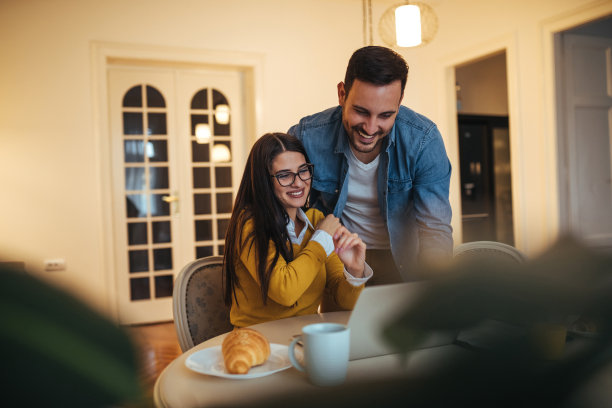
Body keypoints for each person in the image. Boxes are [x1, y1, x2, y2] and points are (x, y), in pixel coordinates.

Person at [288, 46, 452, 285]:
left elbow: (435, 230)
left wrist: (432, 292)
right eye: (361, 112)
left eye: (386, 115)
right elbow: (285, 210)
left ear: (400, 101)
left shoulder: (423, 140)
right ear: (342, 94)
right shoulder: (307, 136)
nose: (371, 127)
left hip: (406, 264)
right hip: (338, 261)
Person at [223, 132, 372, 328]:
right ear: (264, 181)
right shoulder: (249, 224)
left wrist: (354, 271)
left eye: (303, 170)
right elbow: (285, 291)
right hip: (258, 341)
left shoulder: (317, 221)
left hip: (306, 339)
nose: (299, 182)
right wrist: (320, 241)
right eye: (284, 175)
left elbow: (345, 302)